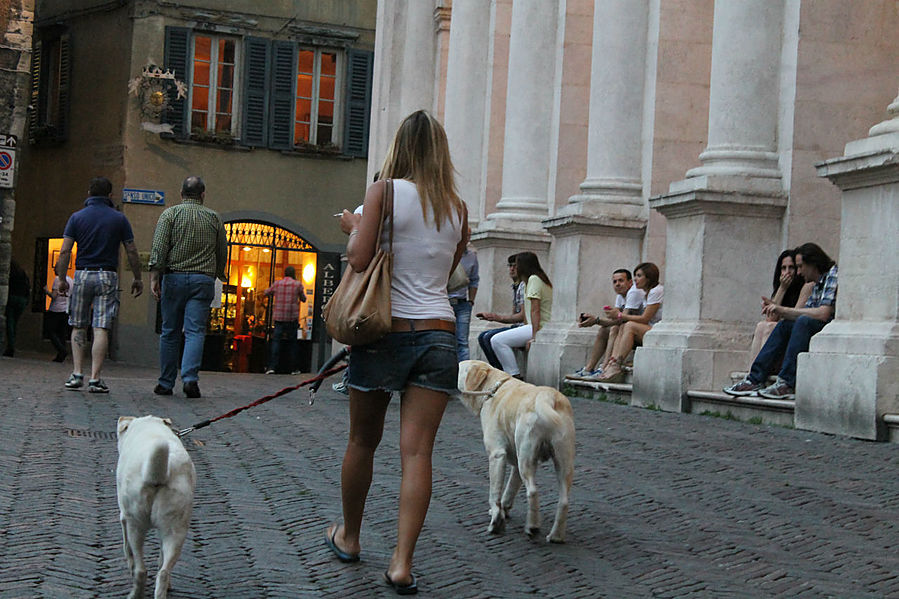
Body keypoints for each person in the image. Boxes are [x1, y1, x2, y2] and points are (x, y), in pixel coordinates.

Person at [325, 110, 467, 595]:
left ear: (399, 147)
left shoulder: (383, 191)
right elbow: (446, 273)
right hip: (440, 333)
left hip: (385, 329)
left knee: (363, 441)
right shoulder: (457, 206)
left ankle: (350, 535)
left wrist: (354, 225)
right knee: (418, 452)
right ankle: (402, 562)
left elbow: (360, 258)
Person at [55, 177, 143, 392]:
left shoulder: (76, 218)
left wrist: (61, 277)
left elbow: (65, 250)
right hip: (107, 275)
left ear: (88, 193)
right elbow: (131, 250)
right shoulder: (119, 219)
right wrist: (137, 277)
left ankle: (77, 373)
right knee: (101, 326)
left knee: (78, 324)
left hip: (83, 273)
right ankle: (95, 377)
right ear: (110, 195)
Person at [725, 243, 837, 400]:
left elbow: (824, 313)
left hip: (829, 326)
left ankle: (786, 383)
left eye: (799, 267)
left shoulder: (833, 274)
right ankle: (754, 379)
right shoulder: (817, 283)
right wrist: (777, 309)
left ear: (812, 264)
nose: (798, 272)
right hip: (816, 324)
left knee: (802, 322)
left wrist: (783, 310)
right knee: (785, 325)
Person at [148, 175, 227, 399]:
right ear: (203, 195)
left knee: (170, 331)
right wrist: (218, 274)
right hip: (202, 280)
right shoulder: (214, 218)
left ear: (181, 194)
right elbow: (222, 251)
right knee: (195, 332)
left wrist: (155, 275)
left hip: (174, 278)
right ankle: (190, 379)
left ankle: (165, 382)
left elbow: (159, 246)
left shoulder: (170, 214)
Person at [570, 268, 646, 380]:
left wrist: (596, 320)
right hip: (628, 332)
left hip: (639, 332)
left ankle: (605, 367)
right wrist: (595, 321)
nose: (617, 284)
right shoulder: (621, 296)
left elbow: (620, 319)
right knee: (604, 330)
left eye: (621, 281)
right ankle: (589, 368)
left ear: (630, 282)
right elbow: (614, 318)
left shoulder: (634, 292)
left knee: (615, 328)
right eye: (614, 282)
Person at [595, 262, 663, 384]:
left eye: (639, 276)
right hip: (650, 329)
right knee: (623, 326)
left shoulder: (656, 291)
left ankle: (616, 364)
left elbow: (645, 318)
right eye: (635, 275)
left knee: (629, 325)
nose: (635, 279)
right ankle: (612, 362)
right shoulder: (647, 293)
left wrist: (620, 315)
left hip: (658, 332)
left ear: (649, 277)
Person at [488, 251, 553, 378]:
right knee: (495, 339)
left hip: (538, 326)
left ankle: (513, 375)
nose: (513, 268)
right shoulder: (531, 281)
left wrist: (534, 336)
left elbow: (535, 310)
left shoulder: (534, 280)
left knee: (497, 340)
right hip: (532, 326)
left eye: (516, 265)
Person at [745, 249, 812, 366]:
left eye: (791, 268)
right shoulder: (781, 289)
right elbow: (771, 318)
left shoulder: (805, 287)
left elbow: (794, 316)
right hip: (780, 336)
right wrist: (782, 288)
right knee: (761, 326)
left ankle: (759, 373)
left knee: (770, 327)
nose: (787, 272)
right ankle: (752, 373)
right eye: (783, 268)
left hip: (792, 338)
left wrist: (777, 309)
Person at [475, 253, 525, 369]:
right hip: (517, 326)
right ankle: (499, 371)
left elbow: (522, 315)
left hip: (524, 327)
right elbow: (514, 315)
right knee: (483, 336)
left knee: (489, 337)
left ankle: (505, 373)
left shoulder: (524, 286)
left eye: (515, 266)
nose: (512, 269)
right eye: (510, 266)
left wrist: (496, 317)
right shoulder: (516, 286)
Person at [263, 265, 307, 374]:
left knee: (276, 342)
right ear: (293, 274)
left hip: (279, 318)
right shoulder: (297, 285)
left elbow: (266, 292)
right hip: (292, 318)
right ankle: (293, 368)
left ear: (285, 273)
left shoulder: (278, 284)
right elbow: (304, 299)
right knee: (293, 344)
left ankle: (272, 367)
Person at [447, 240, 478, 361]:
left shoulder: (472, 257)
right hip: (446, 301)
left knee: (463, 341)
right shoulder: (446, 252)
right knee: (447, 339)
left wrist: (471, 301)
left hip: (463, 303)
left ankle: (464, 370)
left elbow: (474, 279)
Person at [44, 272, 74, 362]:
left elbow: (54, 296)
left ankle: (62, 350)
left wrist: (46, 291)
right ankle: (60, 355)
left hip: (56, 309)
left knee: (50, 331)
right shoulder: (71, 280)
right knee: (62, 333)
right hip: (66, 309)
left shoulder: (57, 279)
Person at [3, 259, 30, 357]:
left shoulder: (10, 275)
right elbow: (28, 287)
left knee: (10, 323)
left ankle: (10, 346)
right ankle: (12, 343)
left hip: (12, 298)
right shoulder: (22, 274)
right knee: (14, 323)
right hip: (22, 300)